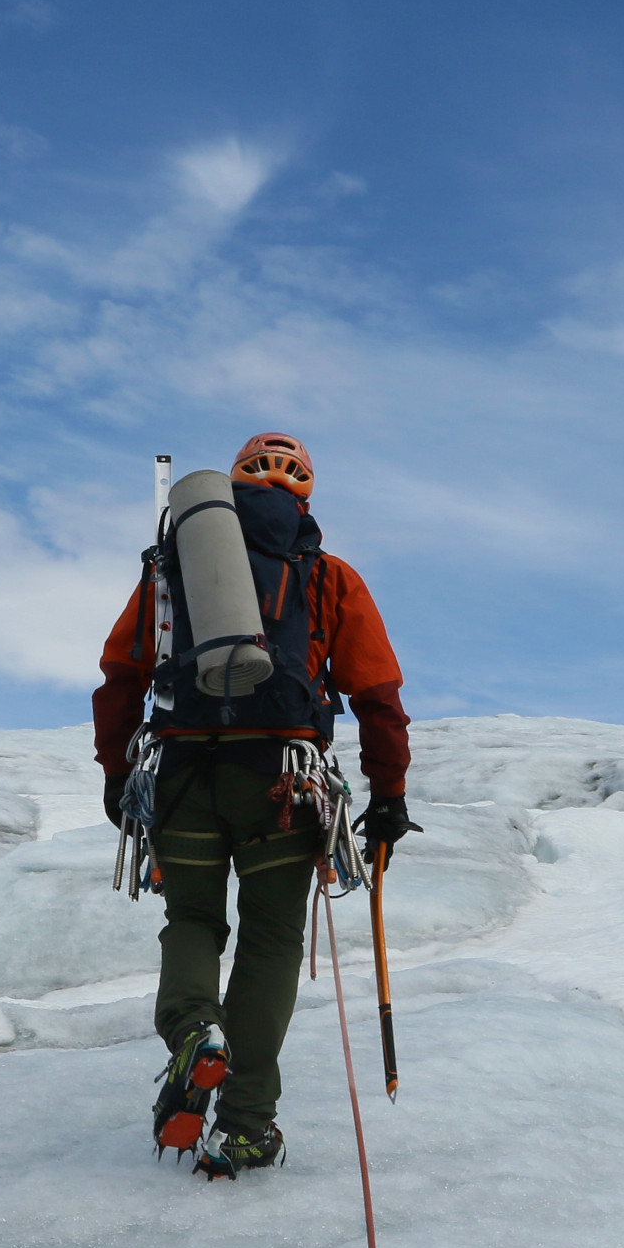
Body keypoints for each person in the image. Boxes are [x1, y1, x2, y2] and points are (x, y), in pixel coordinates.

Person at [93, 432, 417, 1175]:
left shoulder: (172, 570)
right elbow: (378, 694)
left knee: (196, 920)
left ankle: (195, 1032)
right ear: (304, 493)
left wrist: (117, 775)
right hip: (281, 778)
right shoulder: (328, 576)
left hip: (179, 775)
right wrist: (389, 794)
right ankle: (244, 1124)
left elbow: (119, 676)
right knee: (271, 942)